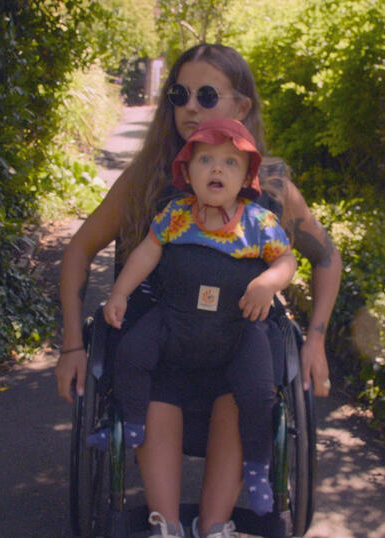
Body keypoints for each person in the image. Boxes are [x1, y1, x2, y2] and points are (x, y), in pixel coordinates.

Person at [56, 44, 342, 538]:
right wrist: (72, 346)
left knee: (244, 390)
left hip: (239, 336)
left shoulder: (271, 183)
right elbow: (78, 250)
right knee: (156, 386)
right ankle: (165, 525)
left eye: (206, 94)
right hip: (162, 331)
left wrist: (315, 338)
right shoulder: (146, 180)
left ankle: (215, 526)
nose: (189, 106)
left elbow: (325, 257)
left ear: (241, 107)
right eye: (179, 94)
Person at [86, 117, 297, 517]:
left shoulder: (257, 223)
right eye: (206, 161)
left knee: (259, 391)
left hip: (235, 329)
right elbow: (147, 252)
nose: (217, 169)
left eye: (230, 163)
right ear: (187, 171)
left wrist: (268, 282)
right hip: (175, 320)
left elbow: (287, 260)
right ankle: (130, 424)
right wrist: (119, 293)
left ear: (247, 176)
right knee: (129, 351)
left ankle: (257, 469)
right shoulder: (176, 215)